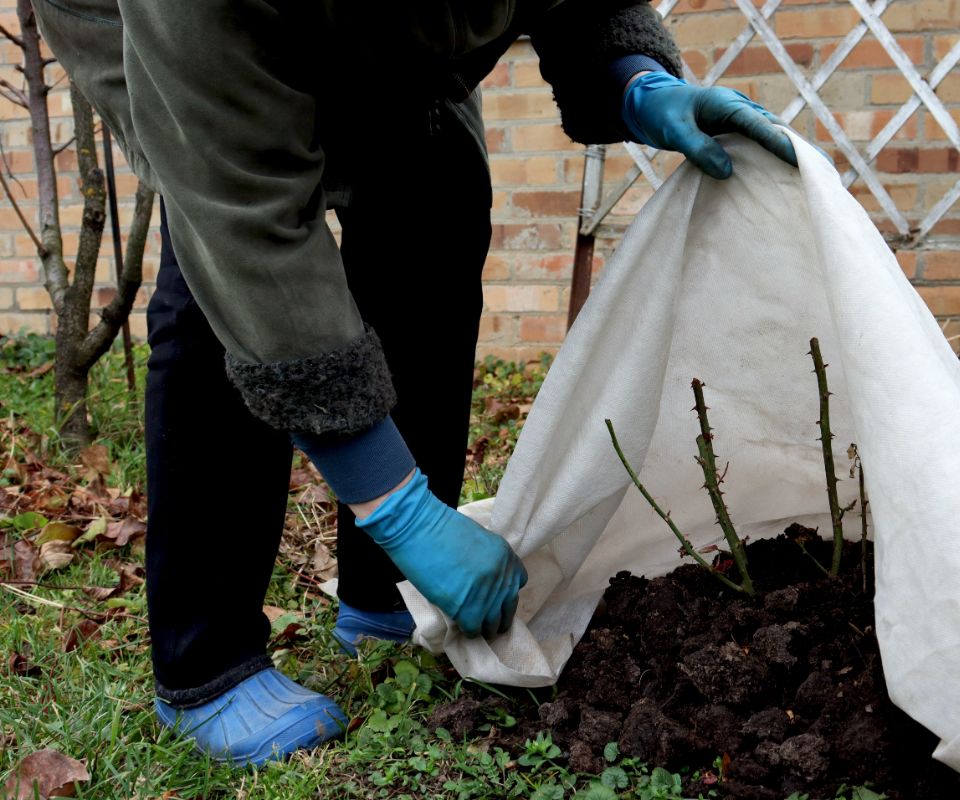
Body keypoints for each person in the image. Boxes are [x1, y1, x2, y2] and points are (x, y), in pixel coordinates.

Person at [33, 0, 798, 766]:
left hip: (376, 31)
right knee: (216, 283)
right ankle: (205, 663)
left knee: (437, 191)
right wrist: (399, 508)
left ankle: (382, 598)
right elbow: (244, 223)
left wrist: (629, 76)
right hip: (159, 25)